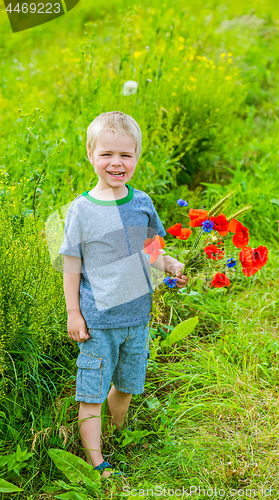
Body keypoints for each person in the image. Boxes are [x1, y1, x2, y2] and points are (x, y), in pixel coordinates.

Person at [59, 111, 188, 477]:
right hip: (98, 321)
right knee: (92, 391)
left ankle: (119, 433)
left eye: (125, 155)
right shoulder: (82, 210)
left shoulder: (141, 201)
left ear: (136, 157)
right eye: (107, 154)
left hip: (137, 317)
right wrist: (74, 313)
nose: (116, 162)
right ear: (91, 155)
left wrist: (173, 268)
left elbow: (152, 249)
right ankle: (96, 460)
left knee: (128, 384)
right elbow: (72, 264)